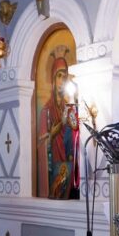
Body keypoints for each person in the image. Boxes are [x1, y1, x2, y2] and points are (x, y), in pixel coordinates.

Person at [37, 55, 80, 199]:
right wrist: (56, 129)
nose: (62, 81)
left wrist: (72, 111)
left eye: (65, 77)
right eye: (59, 76)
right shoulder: (46, 110)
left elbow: (75, 127)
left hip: (69, 161)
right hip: (54, 163)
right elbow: (43, 145)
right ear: (53, 79)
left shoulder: (69, 107)